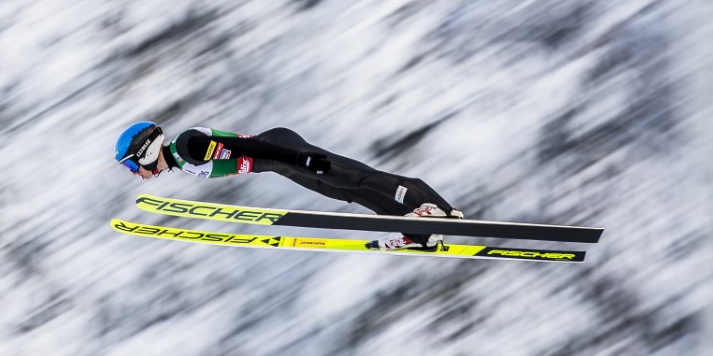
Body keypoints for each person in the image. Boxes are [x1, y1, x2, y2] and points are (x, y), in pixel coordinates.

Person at [114, 121, 463, 250]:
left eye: (132, 165)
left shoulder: (187, 146)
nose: (135, 173)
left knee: (355, 177)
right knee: (347, 192)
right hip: (281, 165)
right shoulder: (183, 160)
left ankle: (432, 208)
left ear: (145, 151)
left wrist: (298, 159)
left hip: (282, 151)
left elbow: (248, 148)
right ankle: (419, 231)